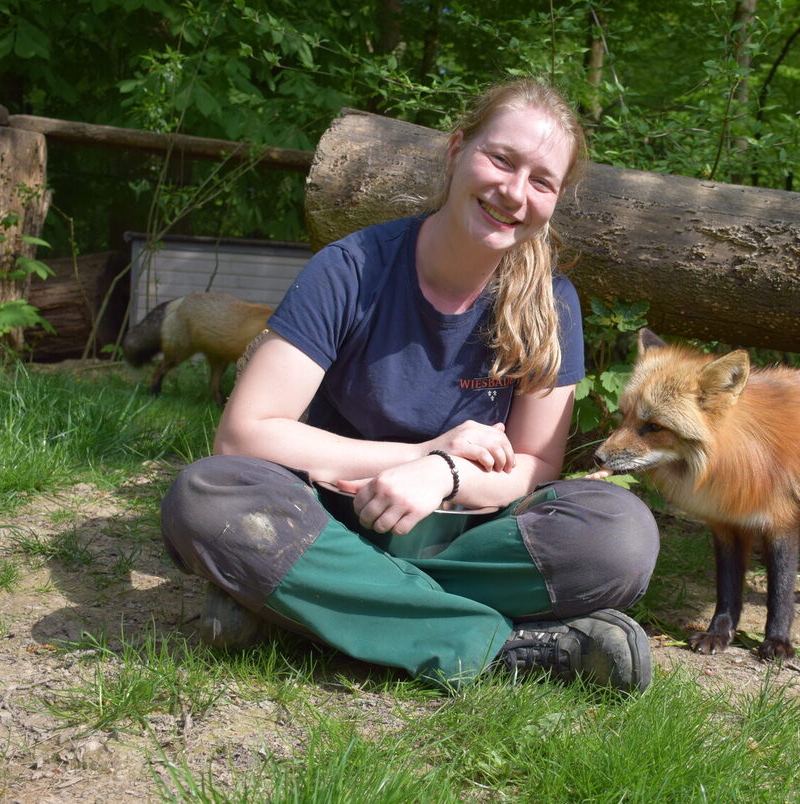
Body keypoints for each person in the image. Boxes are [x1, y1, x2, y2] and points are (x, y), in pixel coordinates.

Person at [159, 79, 659, 692]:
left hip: (465, 536)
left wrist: (444, 476)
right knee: (206, 495)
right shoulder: (351, 269)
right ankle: (500, 646)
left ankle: (303, 600)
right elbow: (243, 436)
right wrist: (421, 454)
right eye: (501, 159)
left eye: (541, 181)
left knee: (621, 537)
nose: (513, 191)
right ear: (456, 150)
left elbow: (534, 465)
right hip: (328, 517)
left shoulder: (551, 302)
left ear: (555, 199)